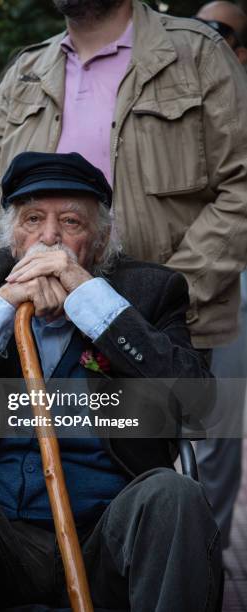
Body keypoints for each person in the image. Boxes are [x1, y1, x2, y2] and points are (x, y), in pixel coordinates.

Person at [0, 152, 221, 612]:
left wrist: (90, 300)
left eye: (70, 223)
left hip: (107, 538)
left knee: (175, 493)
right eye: (32, 220)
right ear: (11, 238)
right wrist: (2, 305)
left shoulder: (149, 293)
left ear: (101, 241)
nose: (49, 238)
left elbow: (198, 404)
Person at [0, 0, 247, 360]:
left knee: (135, 420)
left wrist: (160, 295)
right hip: (31, 326)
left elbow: (241, 185)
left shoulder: (199, 52)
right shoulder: (27, 71)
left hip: (162, 333)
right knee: (22, 418)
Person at [194, 0, 247, 552]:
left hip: (233, 287)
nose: (206, 39)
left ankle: (207, 561)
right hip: (183, 280)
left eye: (221, 32)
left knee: (218, 437)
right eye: (198, 28)